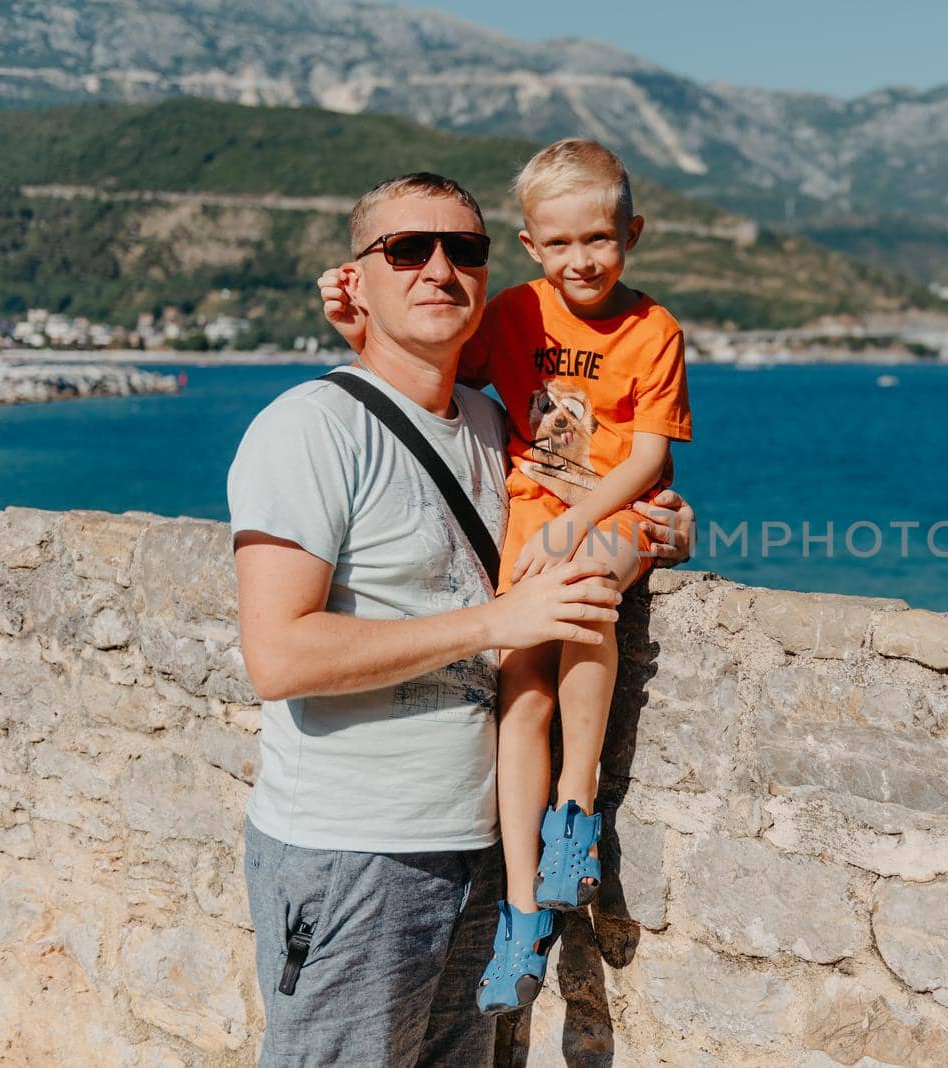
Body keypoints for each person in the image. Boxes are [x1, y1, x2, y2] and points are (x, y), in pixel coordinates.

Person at [232, 171, 693, 1065]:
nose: (439, 268)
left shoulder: (495, 421)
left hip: (481, 847)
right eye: (406, 249)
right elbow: (279, 655)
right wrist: (497, 623)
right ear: (355, 280)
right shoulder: (309, 431)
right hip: (354, 858)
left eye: (463, 249)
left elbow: (603, 480)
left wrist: (662, 526)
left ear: (491, 277)